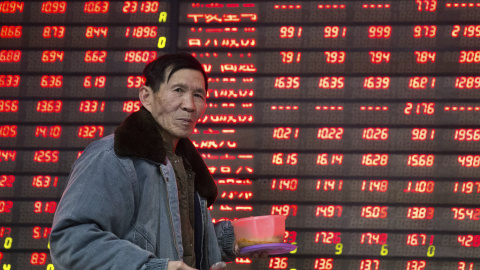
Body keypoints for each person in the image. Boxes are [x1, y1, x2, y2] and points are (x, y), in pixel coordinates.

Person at [50, 53, 237, 270]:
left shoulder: (184, 164)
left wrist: (233, 239)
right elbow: (71, 242)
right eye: (178, 91)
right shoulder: (113, 156)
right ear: (146, 96)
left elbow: (177, 240)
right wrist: (154, 267)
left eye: (198, 95)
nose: (190, 105)